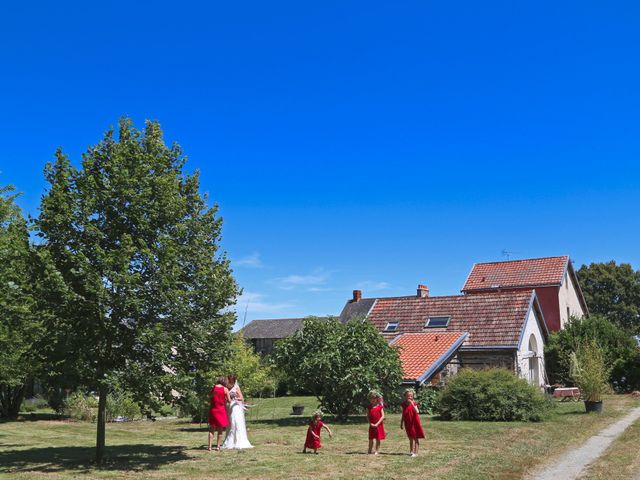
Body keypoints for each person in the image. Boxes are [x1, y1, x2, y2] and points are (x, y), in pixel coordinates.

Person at [221, 374, 253, 449]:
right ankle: (230, 441)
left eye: (232, 382)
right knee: (231, 423)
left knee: (236, 422)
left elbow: (241, 398)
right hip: (229, 407)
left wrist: (235, 398)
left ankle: (239, 441)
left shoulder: (236, 387)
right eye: (229, 381)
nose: (230, 383)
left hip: (236, 407)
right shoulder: (225, 388)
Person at [400, 388, 425, 457]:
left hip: (414, 423)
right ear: (405, 396)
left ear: (413, 396)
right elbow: (403, 414)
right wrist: (401, 422)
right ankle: (411, 451)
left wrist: (412, 404)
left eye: (411, 396)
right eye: (408, 396)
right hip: (407, 423)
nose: (410, 397)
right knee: (410, 437)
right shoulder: (403, 404)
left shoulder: (414, 403)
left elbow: (417, 411)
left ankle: (416, 452)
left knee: (415, 437)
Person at [208, 377, 231, 451]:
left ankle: (209, 447)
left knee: (211, 429)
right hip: (221, 410)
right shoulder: (225, 389)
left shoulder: (213, 388)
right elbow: (229, 400)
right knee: (220, 430)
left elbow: (210, 397)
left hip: (213, 410)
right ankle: (218, 446)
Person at [367, 390, 385, 455]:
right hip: (371, 425)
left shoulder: (380, 407)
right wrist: (370, 423)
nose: (373, 400)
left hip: (378, 425)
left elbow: (383, 416)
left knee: (378, 438)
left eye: (374, 398)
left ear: (377, 399)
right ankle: (369, 449)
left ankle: (377, 450)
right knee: (371, 438)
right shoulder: (369, 407)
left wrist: (377, 423)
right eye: (371, 398)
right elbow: (368, 416)